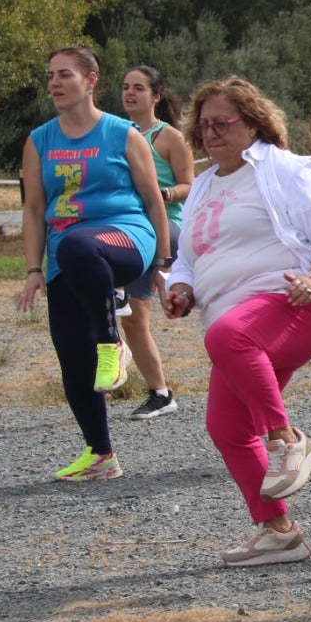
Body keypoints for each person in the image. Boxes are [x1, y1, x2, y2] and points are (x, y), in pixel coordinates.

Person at [163, 77, 311, 567]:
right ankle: (279, 533)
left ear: (252, 124)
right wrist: (182, 290)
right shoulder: (203, 185)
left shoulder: (286, 169)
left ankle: (289, 441)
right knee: (226, 425)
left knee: (227, 335)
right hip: (241, 327)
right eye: (203, 126)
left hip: (294, 305)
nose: (210, 134)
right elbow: (188, 259)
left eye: (222, 123)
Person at [16, 46, 171, 481]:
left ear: (90, 80)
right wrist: (33, 270)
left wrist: (163, 262)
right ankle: (101, 455)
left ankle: (112, 344)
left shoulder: (123, 134)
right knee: (72, 355)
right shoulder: (39, 140)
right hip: (67, 254)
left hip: (125, 237)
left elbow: (153, 200)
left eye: (64, 74)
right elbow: (34, 209)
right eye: (50, 75)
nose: (54, 83)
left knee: (79, 246)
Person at [119, 64, 193, 420]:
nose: (130, 93)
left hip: (165, 225)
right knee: (133, 319)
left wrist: (162, 194)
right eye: (125, 87)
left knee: (124, 305)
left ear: (156, 96)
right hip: (130, 227)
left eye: (138, 88)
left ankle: (161, 280)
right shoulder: (116, 133)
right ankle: (160, 394)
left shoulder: (170, 138)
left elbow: (190, 186)